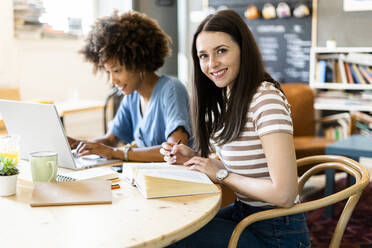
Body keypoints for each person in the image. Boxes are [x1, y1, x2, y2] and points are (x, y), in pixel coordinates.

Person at [161, 10, 310, 247]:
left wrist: (222, 174)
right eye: (203, 56)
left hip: (276, 232)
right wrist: (196, 160)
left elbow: (284, 194)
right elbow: (247, 170)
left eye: (221, 51)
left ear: (243, 49)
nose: (212, 64)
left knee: (174, 239)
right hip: (246, 215)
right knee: (172, 226)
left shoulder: (265, 99)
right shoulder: (229, 97)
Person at [68, 10, 192, 162]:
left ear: (137, 62)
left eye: (117, 70)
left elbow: (175, 150)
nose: (113, 80)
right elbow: (110, 140)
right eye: (109, 72)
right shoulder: (132, 96)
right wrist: (76, 144)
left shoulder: (172, 89)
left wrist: (118, 153)